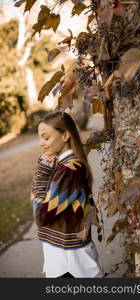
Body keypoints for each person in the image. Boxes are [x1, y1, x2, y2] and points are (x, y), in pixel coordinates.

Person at [31, 110, 104, 278]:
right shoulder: (67, 165)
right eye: (40, 137)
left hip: (68, 262)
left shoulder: (67, 170)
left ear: (65, 136)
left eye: (46, 137)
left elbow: (41, 216)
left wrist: (42, 174)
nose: (41, 143)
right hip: (64, 256)